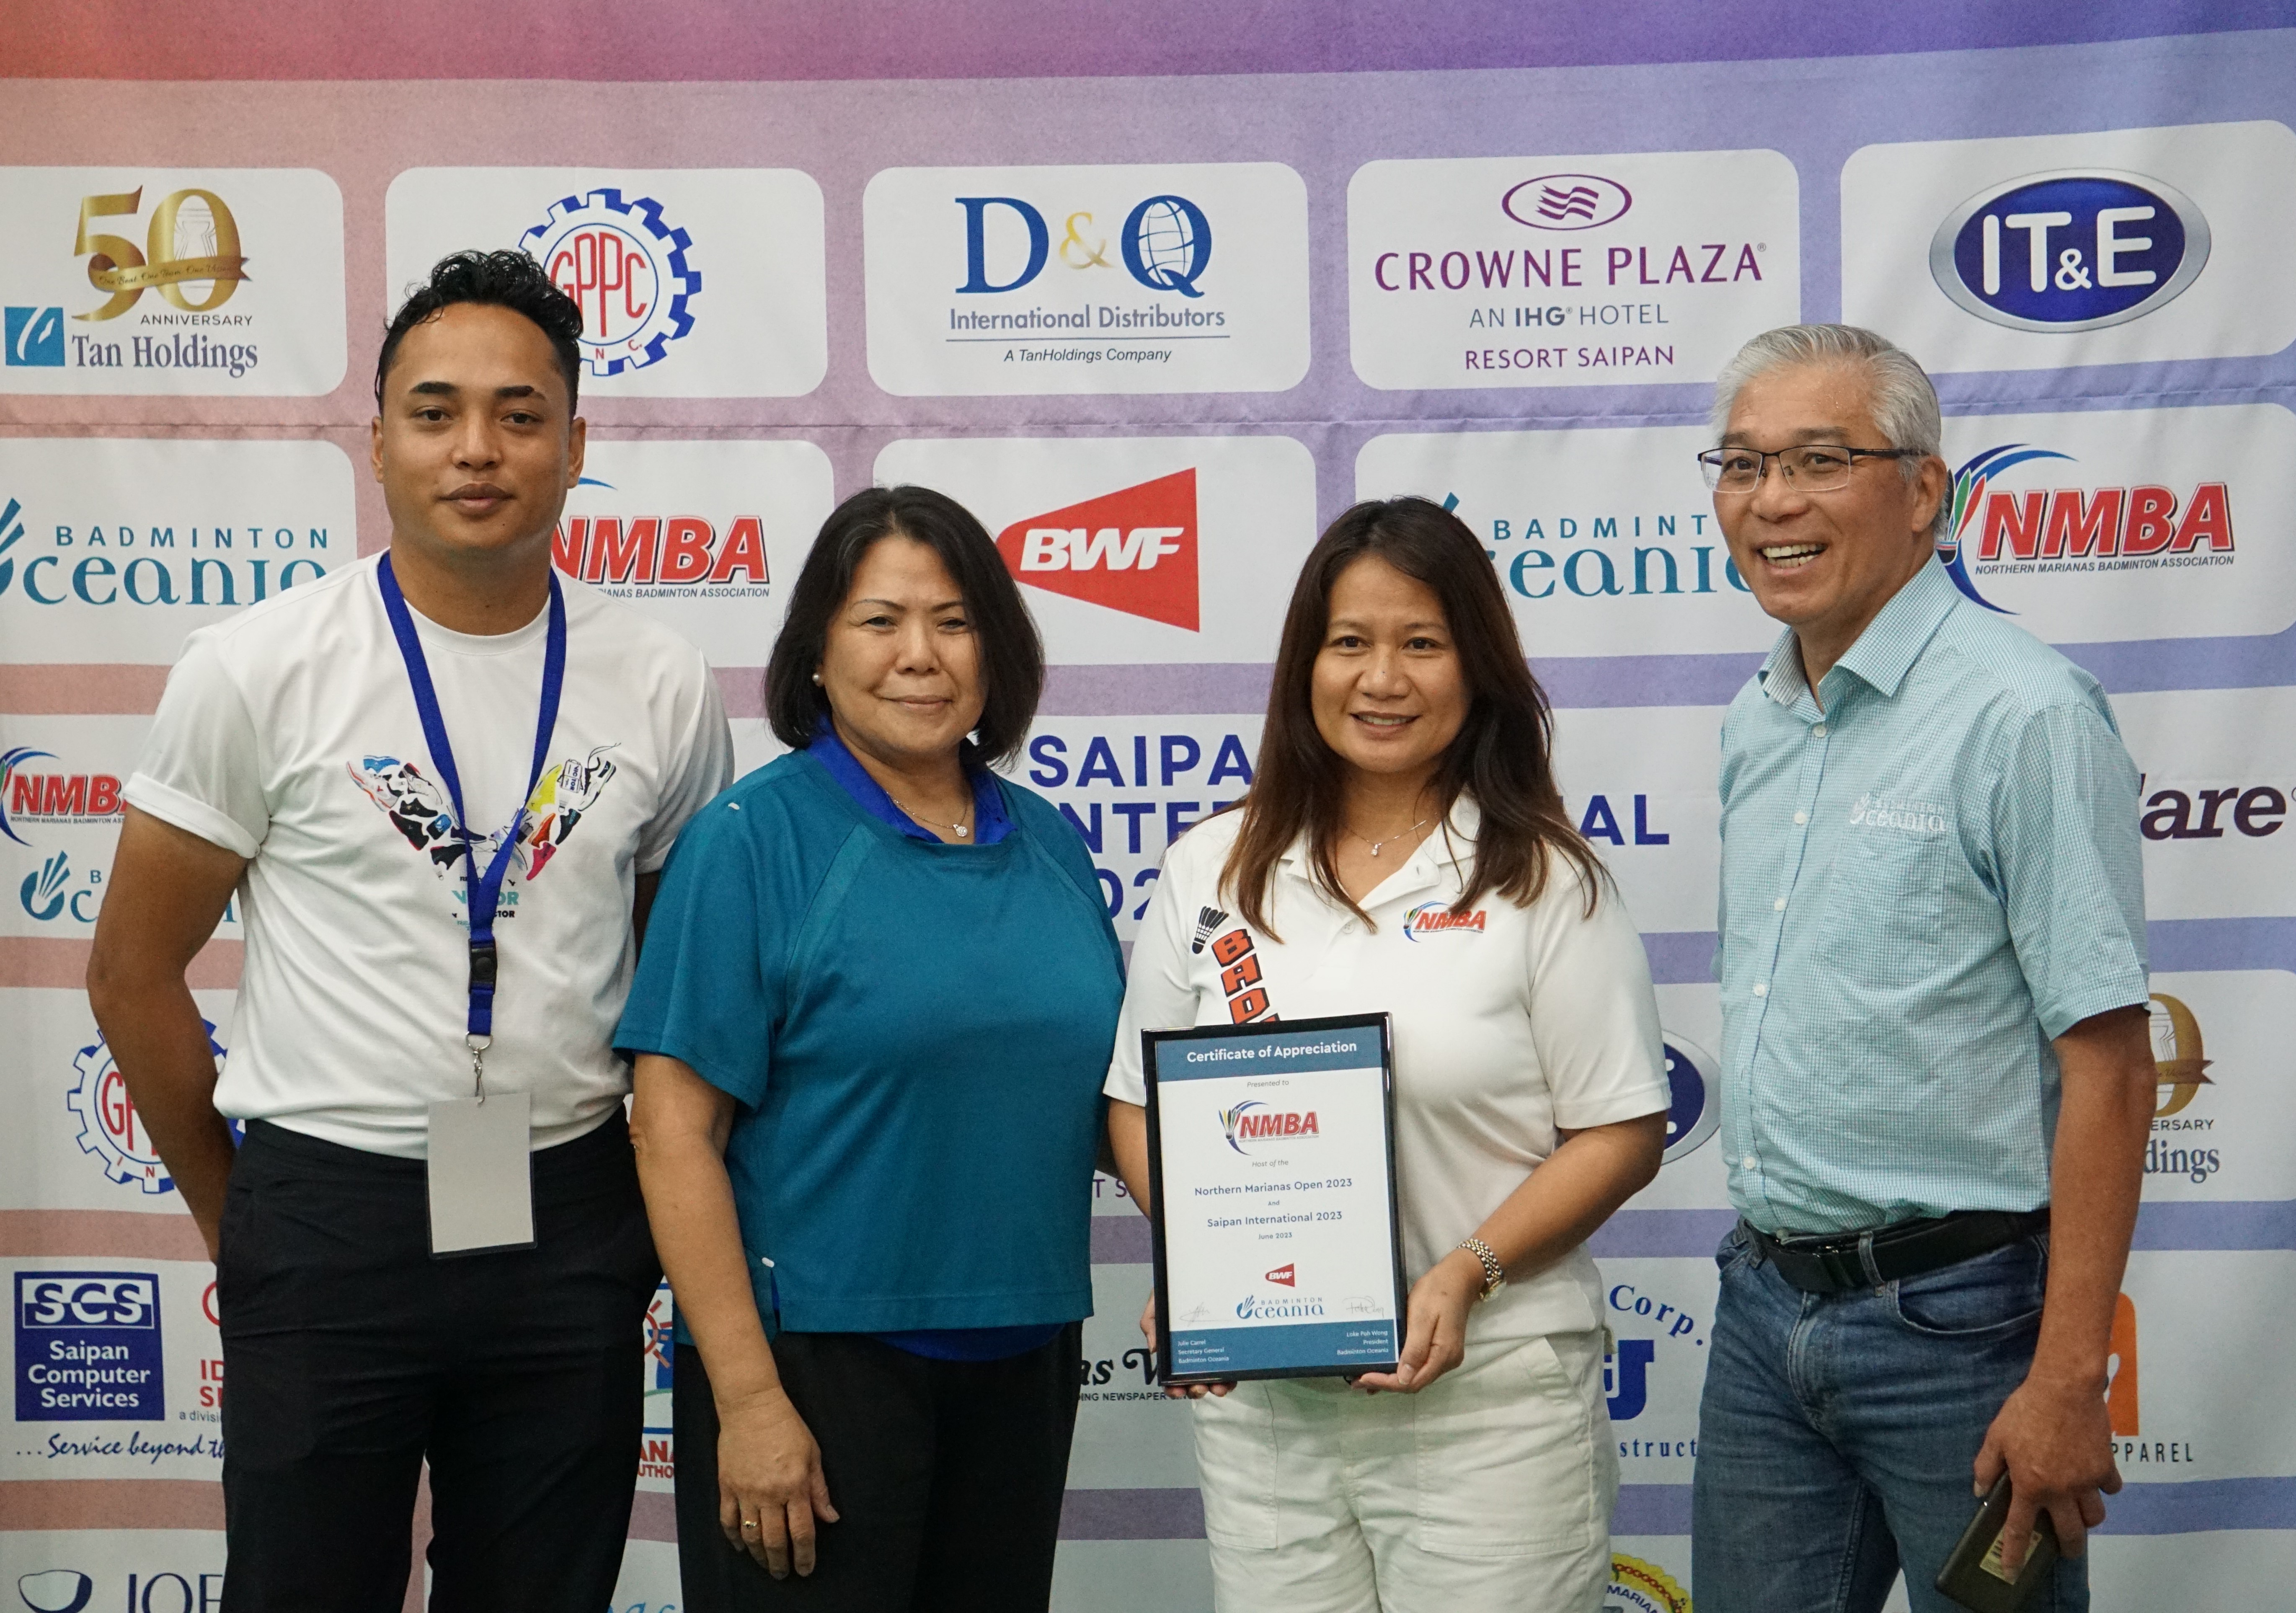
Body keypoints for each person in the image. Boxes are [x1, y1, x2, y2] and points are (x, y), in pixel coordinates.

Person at [84, 250, 733, 1608]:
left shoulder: (661, 683)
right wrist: (243, 1218)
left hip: (567, 1217)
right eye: (434, 412)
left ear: (575, 446)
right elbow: (133, 973)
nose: (476, 448)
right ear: (376, 441)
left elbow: (679, 996)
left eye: (519, 413)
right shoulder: (257, 667)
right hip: (329, 1215)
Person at [1104, 497, 1670, 1613]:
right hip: (1269, 1414)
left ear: (1476, 667)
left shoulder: (1543, 878)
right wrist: (1208, 1265)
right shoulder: (1211, 865)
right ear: (1304, 666)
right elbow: (1136, 1102)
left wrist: (1467, 1272)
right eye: (1349, 643)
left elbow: (1621, 1129)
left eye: (1421, 643)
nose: (1382, 679)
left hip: (1489, 1406)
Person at [1689, 323, 2156, 1613]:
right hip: (1762, 1307)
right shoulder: (1755, 715)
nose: (1771, 500)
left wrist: (2066, 1377)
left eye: (1818, 460)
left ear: (1922, 491)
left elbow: (2111, 1068)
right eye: (1742, 463)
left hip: (1962, 1329)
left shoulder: (2025, 714)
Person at [618, 485, 1125, 1610]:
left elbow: (1102, 1103)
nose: (920, 655)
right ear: (817, 652)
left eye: (954, 621)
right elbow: (672, 1133)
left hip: (1026, 1351)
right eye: (880, 621)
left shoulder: (1050, 842)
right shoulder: (749, 842)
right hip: (815, 1370)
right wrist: (750, 1400)